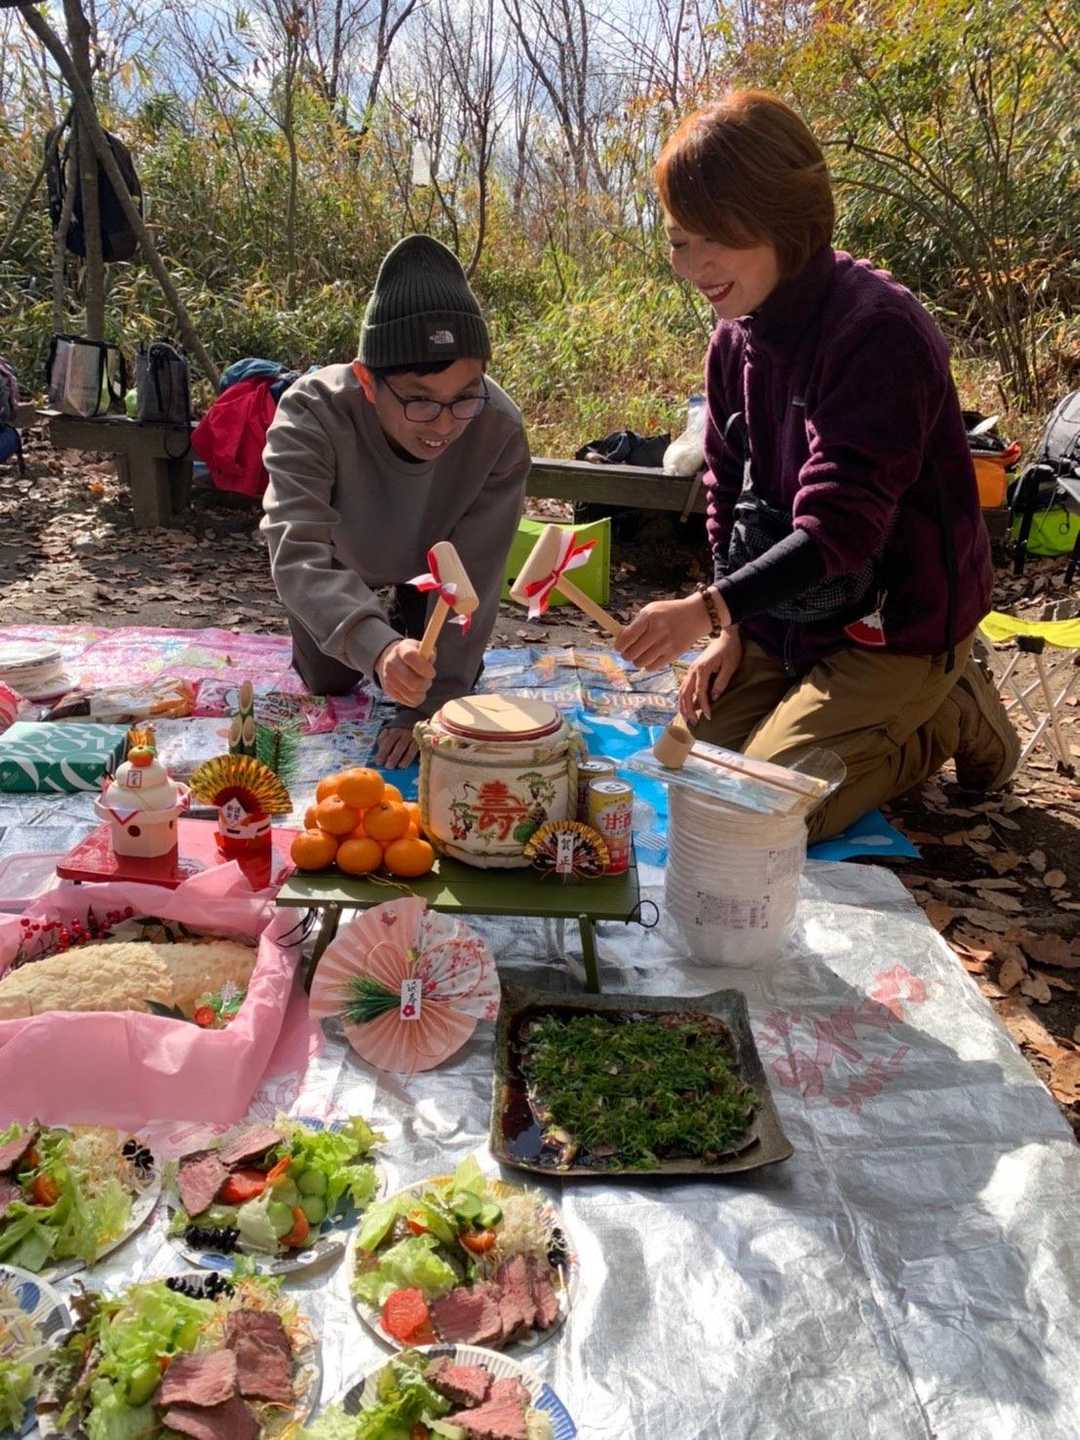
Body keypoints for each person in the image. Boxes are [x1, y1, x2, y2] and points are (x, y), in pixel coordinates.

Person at [617, 90, 1019, 840]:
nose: (696, 266)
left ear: (784, 220)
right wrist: (730, 626)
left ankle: (951, 707)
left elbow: (840, 529)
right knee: (687, 769)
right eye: (679, 242)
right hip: (786, 615)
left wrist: (709, 609)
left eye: (718, 238)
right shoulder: (734, 339)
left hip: (897, 621)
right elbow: (724, 487)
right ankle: (812, 703)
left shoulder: (876, 332)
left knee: (763, 816)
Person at [261, 235, 530, 768]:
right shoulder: (311, 412)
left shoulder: (498, 428)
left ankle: (411, 622)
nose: (445, 425)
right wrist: (376, 647)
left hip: (439, 561)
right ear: (367, 381)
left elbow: (475, 574)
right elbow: (297, 551)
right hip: (343, 560)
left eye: (465, 396)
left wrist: (431, 704)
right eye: (420, 401)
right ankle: (382, 626)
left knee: (434, 676)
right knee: (329, 679)